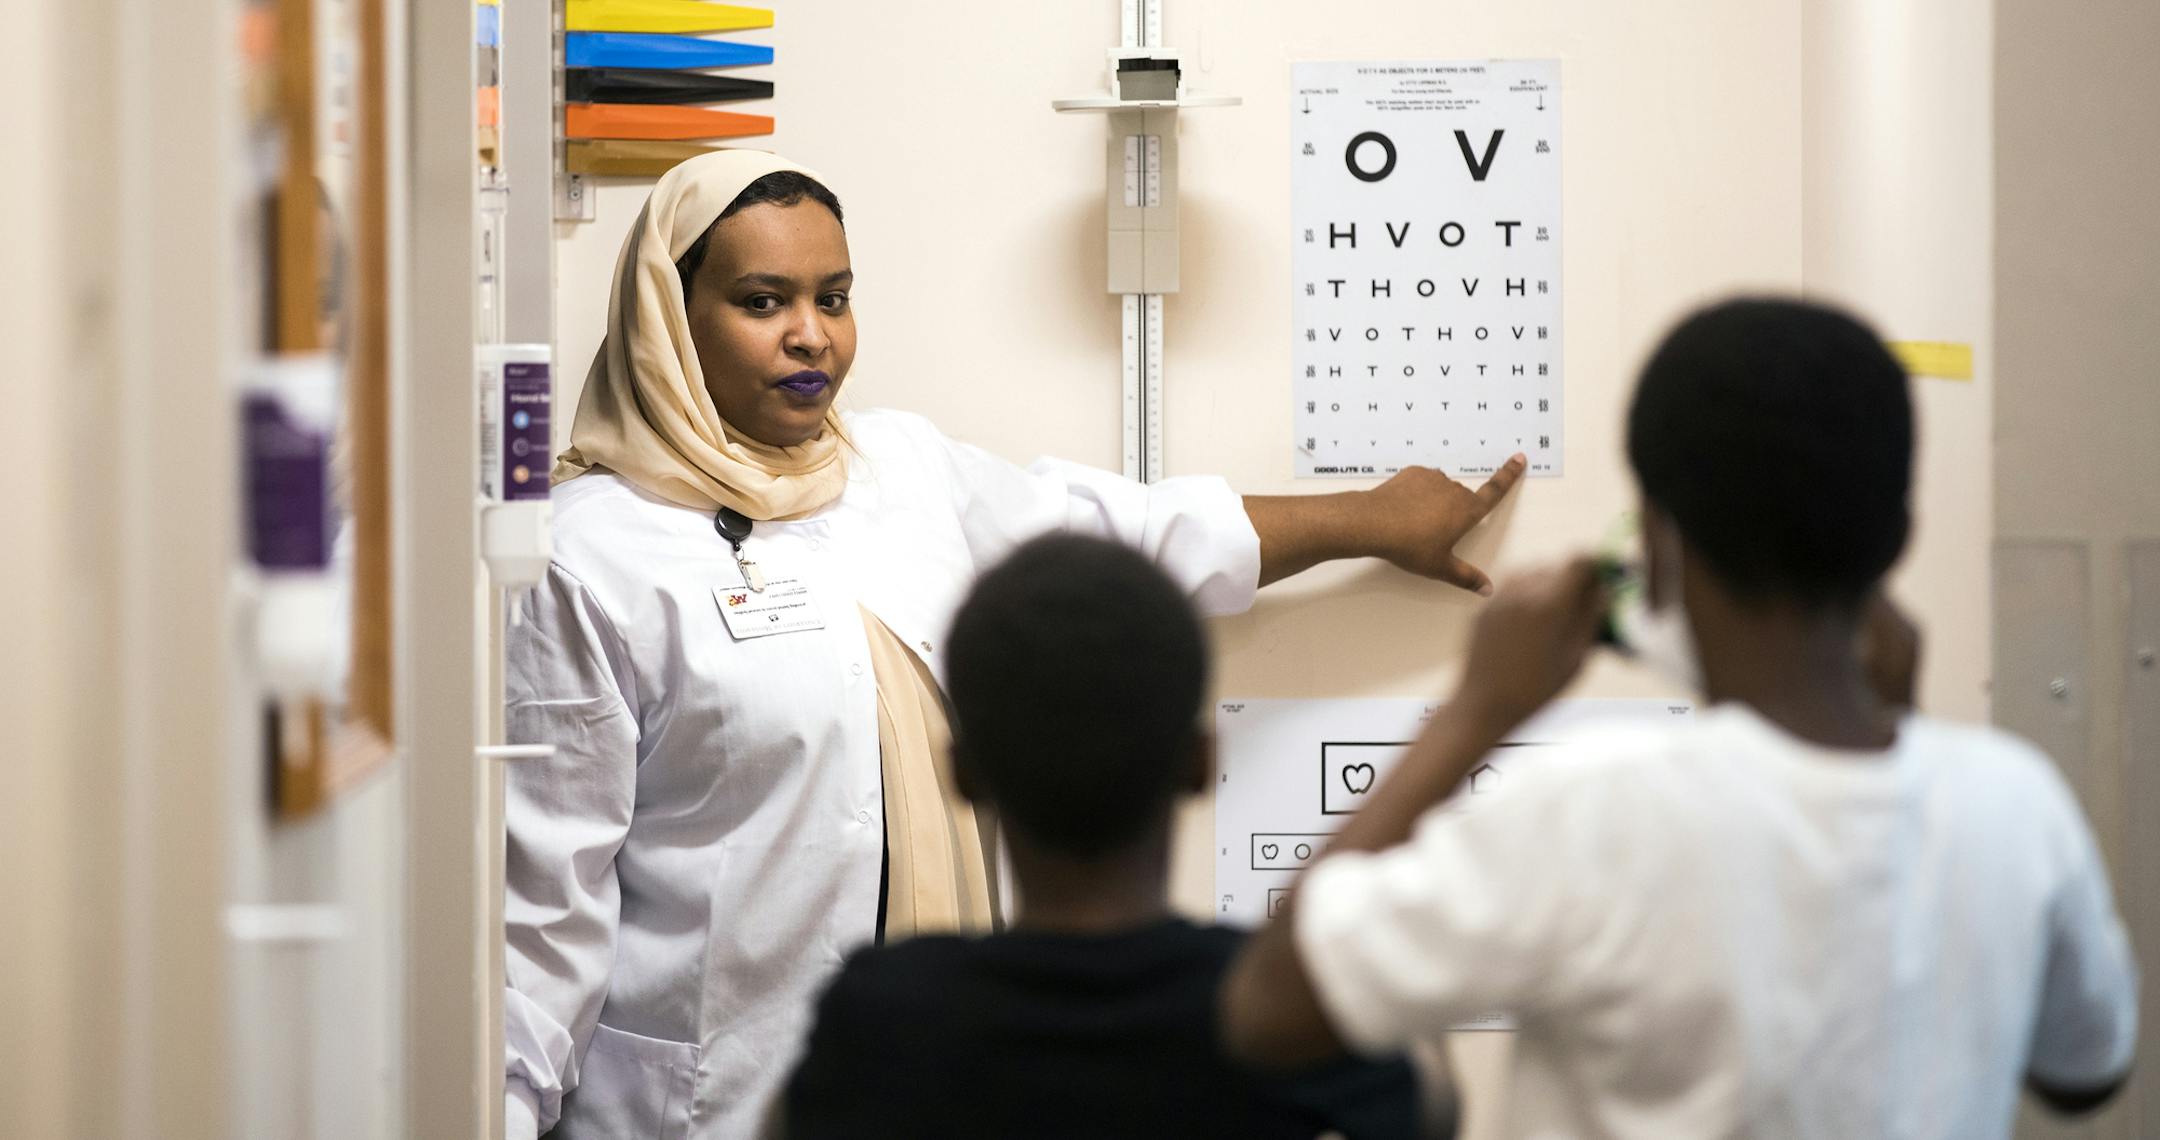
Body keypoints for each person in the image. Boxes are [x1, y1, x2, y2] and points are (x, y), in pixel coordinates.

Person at [503, 149, 1524, 1139]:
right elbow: (545, 917)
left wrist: (1369, 519)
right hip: (698, 1104)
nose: (812, 336)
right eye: (763, 301)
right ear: (671, 320)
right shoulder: (591, 553)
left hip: (941, 1087)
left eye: (836, 295)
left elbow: (1126, 538)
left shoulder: (897, 470)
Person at [1219, 298, 2139, 1139]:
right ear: (1897, 533)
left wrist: (1476, 712)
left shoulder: (1590, 814)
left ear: (1657, 543)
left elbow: (1270, 1008)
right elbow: (2086, 1072)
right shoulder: (2017, 807)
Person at [779, 534, 1439, 1139]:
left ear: (963, 774)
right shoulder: (1282, 1016)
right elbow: (1434, 1111)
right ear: (1202, 764)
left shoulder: (879, 1016)